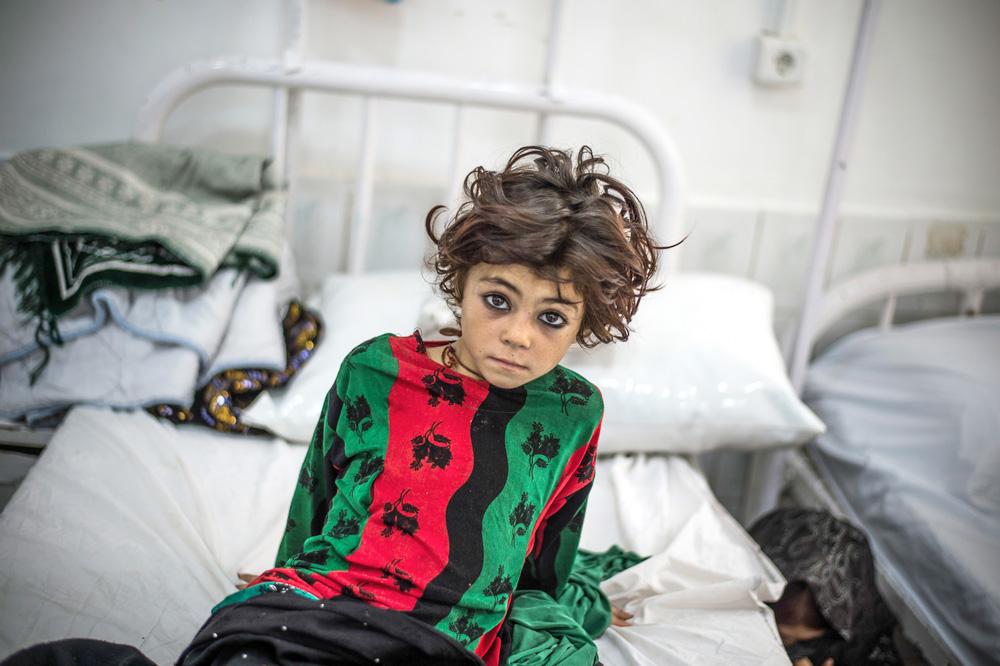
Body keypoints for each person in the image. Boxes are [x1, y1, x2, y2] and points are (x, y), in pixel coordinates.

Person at [0, 145, 662, 666]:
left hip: (445, 638)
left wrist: (566, 602)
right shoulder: (376, 369)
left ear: (585, 325)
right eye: (498, 300)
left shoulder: (574, 410)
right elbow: (318, 486)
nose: (520, 333)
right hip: (316, 607)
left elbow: (547, 544)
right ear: (460, 286)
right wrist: (290, 570)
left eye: (552, 317)